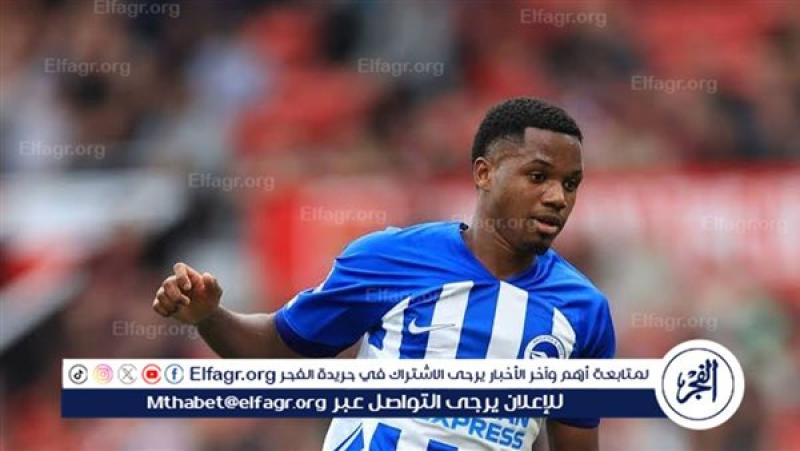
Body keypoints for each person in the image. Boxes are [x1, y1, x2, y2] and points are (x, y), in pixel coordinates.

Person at [152, 97, 615, 451]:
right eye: (538, 177)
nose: (558, 197)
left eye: (570, 184)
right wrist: (209, 316)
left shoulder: (584, 312)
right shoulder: (391, 259)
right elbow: (278, 348)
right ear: (484, 173)